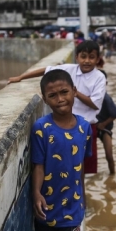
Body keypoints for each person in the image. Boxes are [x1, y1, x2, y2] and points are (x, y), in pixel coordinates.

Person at [31, 69, 92, 231]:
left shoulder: (85, 127)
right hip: (46, 206)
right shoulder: (41, 129)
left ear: (74, 92)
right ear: (45, 99)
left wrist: (83, 199)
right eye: (53, 95)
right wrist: (36, 193)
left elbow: (80, 168)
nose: (60, 99)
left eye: (64, 92)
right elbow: (39, 166)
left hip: (72, 210)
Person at [9, 40, 106, 173]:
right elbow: (46, 70)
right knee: (63, 164)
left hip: (86, 127)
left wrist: (76, 93)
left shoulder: (99, 77)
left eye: (91, 57)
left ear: (98, 59)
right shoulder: (69, 69)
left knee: (84, 167)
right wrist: (20, 77)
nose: (87, 61)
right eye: (83, 56)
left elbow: (95, 104)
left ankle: (81, 192)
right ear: (77, 57)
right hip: (62, 125)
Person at [96, 70, 116, 174]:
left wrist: (103, 124)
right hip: (92, 127)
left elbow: (115, 114)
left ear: (105, 84)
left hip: (104, 129)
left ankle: (112, 175)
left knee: (109, 155)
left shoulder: (106, 98)